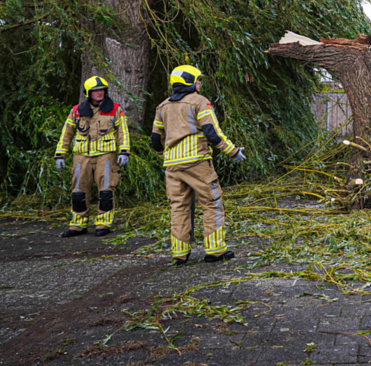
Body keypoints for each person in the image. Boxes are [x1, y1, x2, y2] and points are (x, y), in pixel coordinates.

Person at [151, 65, 245, 264]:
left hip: (172, 166)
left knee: (178, 207)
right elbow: (212, 132)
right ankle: (215, 251)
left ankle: (179, 254)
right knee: (212, 204)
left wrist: (164, 155)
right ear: (190, 82)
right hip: (197, 162)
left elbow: (155, 138)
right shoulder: (200, 102)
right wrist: (232, 151)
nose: (199, 83)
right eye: (197, 79)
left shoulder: (162, 106)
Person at [55, 76, 131, 237]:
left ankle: (103, 224)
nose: (99, 93)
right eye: (95, 91)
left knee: (106, 192)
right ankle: (78, 224)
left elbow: (123, 132)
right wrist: (60, 154)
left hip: (106, 156)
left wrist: (124, 152)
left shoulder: (115, 109)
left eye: (102, 90)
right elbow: (66, 134)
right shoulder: (76, 111)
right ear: (88, 93)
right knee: (78, 191)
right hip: (81, 157)